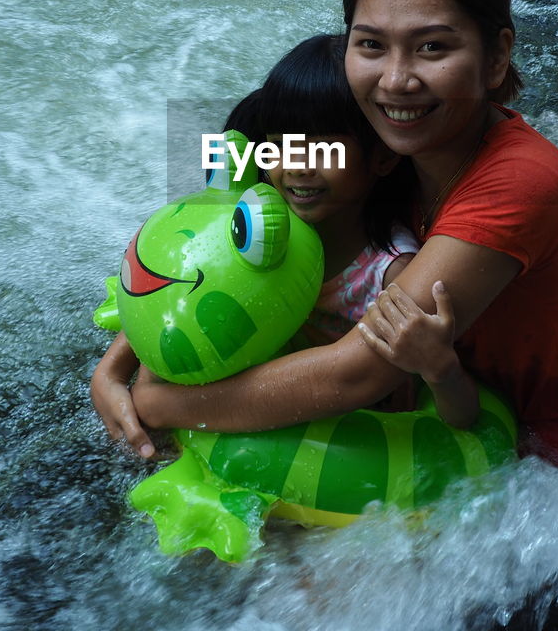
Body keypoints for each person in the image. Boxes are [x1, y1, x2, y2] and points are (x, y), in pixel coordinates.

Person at [93, 0, 558, 479]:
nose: (395, 80)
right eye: (371, 44)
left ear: (495, 57)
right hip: (447, 396)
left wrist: (160, 402)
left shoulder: (519, 181)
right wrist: (121, 358)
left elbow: (358, 372)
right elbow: (226, 218)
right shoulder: (366, 137)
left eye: (432, 48)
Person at [91, 34, 480, 451]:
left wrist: (444, 372)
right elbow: (177, 289)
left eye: (323, 149)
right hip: (244, 407)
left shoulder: (390, 273)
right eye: (279, 147)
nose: (297, 166)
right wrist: (111, 371)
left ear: (382, 157)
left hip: (345, 444)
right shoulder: (262, 218)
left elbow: (460, 420)